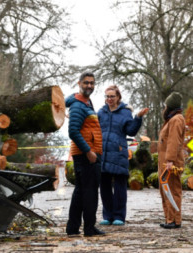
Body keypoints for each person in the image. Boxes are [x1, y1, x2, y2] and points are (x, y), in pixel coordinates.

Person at [97, 85, 149, 226]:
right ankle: (107, 216)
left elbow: (131, 131)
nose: (109, 99)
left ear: (118, 97)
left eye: (112, 96)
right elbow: (94, 129)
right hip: (103, 153)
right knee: (105, 186)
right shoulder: (101, 112)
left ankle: (119, 216)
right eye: (107, 96)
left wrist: (137, 117)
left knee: (120, 186)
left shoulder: (125, 113)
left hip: (119, 152)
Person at [65, 72, 105, 237]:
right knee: (89, 192)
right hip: (86, 154)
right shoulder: (78, 105)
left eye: (92, 83)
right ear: (79, 83)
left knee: (81, 192)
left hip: (88, 153)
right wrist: (88, 151)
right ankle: (89, 228)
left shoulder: (87, 102)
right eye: (86, 83)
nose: (89, 86)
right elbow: (73, 131)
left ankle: (73, 228)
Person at [158, 92, 185, 229]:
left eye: (166, 105)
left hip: (171, 162)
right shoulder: (171, 119)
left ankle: (175, 220)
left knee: (172, 189)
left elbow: (174, 142)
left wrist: (170, 160)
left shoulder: (176, 119)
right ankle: (169, 219)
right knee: (165, 189)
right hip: (165, 160)